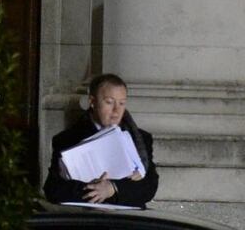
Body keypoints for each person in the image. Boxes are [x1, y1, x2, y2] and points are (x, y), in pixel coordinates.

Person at [43, 73, 159, 208]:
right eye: (109, 102)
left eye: (122, 103)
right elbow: (53, 189)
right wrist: (95, 189)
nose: (116, 110)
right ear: (92, 102)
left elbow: (149, 187)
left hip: (127, 221)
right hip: (87, 220)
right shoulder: (67, 139)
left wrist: (112, 188)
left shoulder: (141, 139)